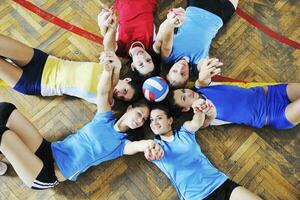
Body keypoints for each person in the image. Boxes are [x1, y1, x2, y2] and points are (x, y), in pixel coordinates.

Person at [0, 51, 164, 190]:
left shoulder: (122, 145)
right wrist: (108, 72)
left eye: (143, 120)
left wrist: (149, 145)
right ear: (129, 109)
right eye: (139, 114)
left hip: (48, 173)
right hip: (47, 150)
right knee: (4, 109)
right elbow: (102, 94)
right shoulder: (104, 118)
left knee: (2, 134)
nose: (140, 120)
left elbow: (139, 146)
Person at [149, 104, 261, 200]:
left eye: (159, 118)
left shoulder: (183, 131)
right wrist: (145, 145)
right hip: (196, 197)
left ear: (170, 120)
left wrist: (198, 109)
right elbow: (131, 147)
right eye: (151, 120)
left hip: (220, 183)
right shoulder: (153, 146)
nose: (154, 122)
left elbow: (195, 123)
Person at [0, 34, 142, 103]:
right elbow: (108, 46)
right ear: (127, 79)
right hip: (44, 61)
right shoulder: (109, 68)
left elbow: (110, 92)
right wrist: (110, 26)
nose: (120, 94)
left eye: (122, 97)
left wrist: (116, 71)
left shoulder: (106, 100)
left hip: (34, 83)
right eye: (125, 91)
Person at [167, 58, 300, 129]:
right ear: (185, 108)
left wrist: (207, 68)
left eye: (184, 90)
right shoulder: (202, 116)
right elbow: (201, 122)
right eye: (184, 98)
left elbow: (203, 78)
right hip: (275, 115)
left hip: (273, 92)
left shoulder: (200, 87)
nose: (189, 93)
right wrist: (202, 110)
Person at [157, 0, 239, 88]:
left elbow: (167, 39)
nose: (180, 67)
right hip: (219, 14)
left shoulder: (168, 56)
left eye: (174, 71)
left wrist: (171, 23)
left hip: (197, 5)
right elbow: (204, 66)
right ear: (188, 77)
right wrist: (210, 65)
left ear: (169, 69)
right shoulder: (197, 66)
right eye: (182, 74)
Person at [98, 0, 163, 81]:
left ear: (133, 66)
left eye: (141, 64)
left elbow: (108, 45)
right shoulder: (152, 46)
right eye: (148, 60)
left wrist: (103, 27)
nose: (143, 57)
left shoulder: (120, 50)